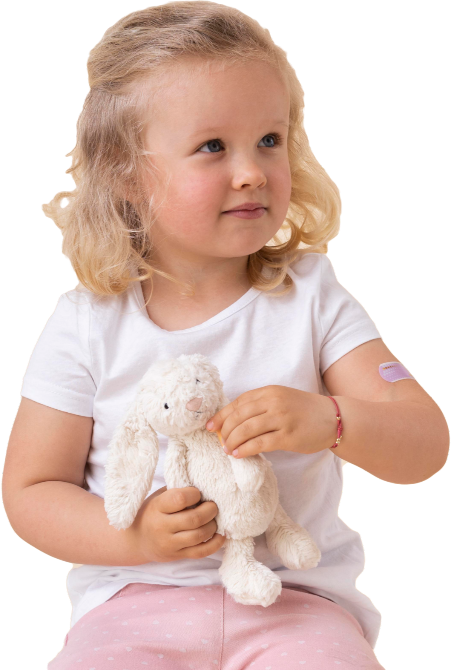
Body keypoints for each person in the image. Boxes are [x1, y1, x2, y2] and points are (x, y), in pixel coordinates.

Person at [2, 2, 448, 669]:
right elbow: (31, 491)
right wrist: (136, 539)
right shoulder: (87, 322)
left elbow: (425, 442)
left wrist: (332, 419)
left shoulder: (311, 297)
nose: (252, 171)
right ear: (126, 173)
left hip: (296, 605)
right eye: (213, 146)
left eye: (269, 139)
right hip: (133, 605)